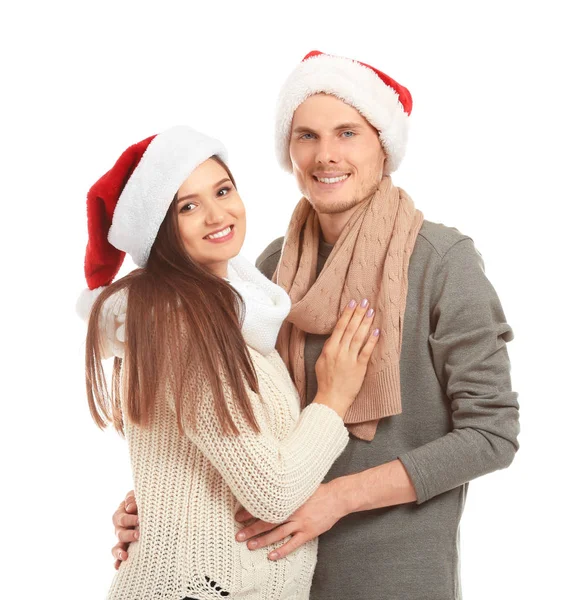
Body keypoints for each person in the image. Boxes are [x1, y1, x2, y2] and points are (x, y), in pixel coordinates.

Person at [112, 52, 520, 600]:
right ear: (289, 151)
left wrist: (338, 498)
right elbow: (227, 422)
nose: (326, 155)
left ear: (383, 144)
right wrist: (168, 505)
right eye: (306, 136)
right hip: (267, 575)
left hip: (394, 577)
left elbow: (491, 435)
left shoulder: (441, 261)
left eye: (347, 132)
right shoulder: (265, 273)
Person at [80, 125, 380, 600]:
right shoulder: (182, 327)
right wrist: (333, 398)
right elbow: (273, 493)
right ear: (159, 228)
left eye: (222, 191)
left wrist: (160, 506)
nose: (217, 214)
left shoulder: (239, 312)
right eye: (188, 206)